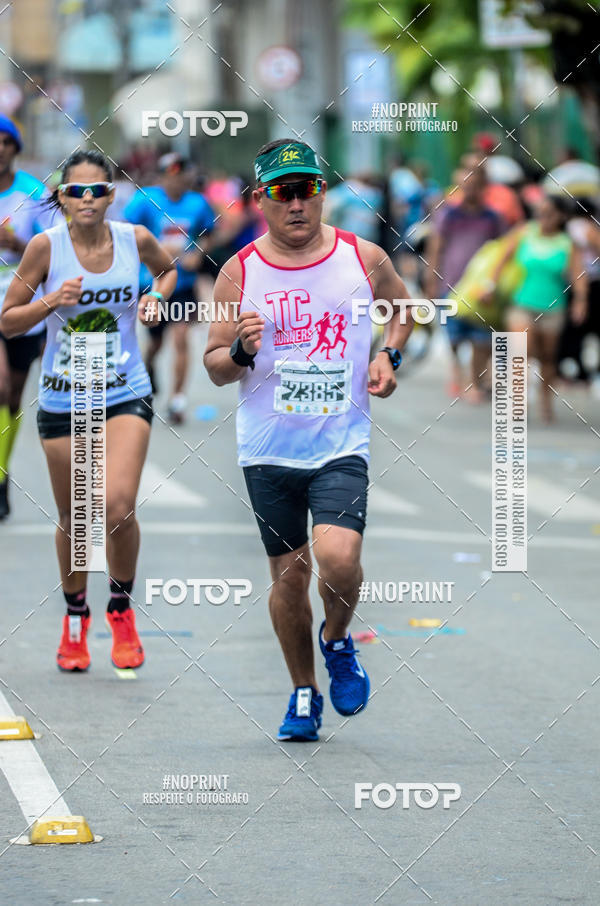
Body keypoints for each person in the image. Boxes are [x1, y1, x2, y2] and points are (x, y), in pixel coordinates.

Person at [204, 139, 413, 742]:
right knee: (290, 578)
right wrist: (240, 349)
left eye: (307, 189)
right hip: (268, 450)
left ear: (322, 193)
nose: (297, 203)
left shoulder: (362, 256)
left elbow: (404, 310)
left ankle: (338, 640)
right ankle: (303, 690)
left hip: (340, 444)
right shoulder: (239, 270)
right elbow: (215, 367)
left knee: (340, 560)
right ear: (260, 199)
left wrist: (389, 355)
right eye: (283, 192)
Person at [0, 149, 177, 671]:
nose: (87, 199)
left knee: (118, 506)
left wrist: (156, 297)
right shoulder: (45, 248)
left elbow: (166, 272)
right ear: (61, 196)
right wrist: (51, 301)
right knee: (77, 517)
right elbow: (8, 320)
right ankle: (76, 617)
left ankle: (120, 610)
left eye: (97, 191)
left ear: (111, 195)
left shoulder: (133, 239)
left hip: (124, 390)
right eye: (76, 191)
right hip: (64, 395)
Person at [123, 151, 215, 423]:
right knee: (156, 342)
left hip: (183, 283)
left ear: (189, 177)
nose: (176, 181)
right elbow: (124, 233)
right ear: (162, 177)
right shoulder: (145, 200)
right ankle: (149, 365)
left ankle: (177, 400)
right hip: (153, 283)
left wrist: (197, 253)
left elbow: (208, 235)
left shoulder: (198, 203)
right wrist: (155, 250)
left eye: (182, 175)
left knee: (181, 336)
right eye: (170, 175)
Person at [485, 194, 587, 422]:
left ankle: (546, 400)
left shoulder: (566, 243)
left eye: (549, 213)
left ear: (561, 216)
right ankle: (518, 402)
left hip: (553, 307)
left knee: (548, 358)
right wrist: (490, 285)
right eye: (540, 212)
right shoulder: (524, 233)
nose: (544, 217)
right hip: (522, 303)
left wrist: (581, 301)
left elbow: (578, 274)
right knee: (521, 352)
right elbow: (502, 258)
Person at [0, 115, 54, 519]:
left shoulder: (33, 191)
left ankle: (2, 474)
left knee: (14, 397)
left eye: (6, 141)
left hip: (21, 306)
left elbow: (56, 246)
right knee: (0, 388)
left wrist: (18, 244)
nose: (0, 148)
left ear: (15, 148)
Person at [425, 163, 506, 400]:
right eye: (466, 185)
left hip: (478, 288)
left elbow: (502, 250)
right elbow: (436, 249)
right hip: (450, 285)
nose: (470, 190)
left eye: (475, 185)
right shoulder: (448, 215)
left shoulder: (493, 218)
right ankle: (458, 374)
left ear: (483, 187)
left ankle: (474, 382)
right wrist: (431, 281)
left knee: (481, 338)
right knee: (454, 337)